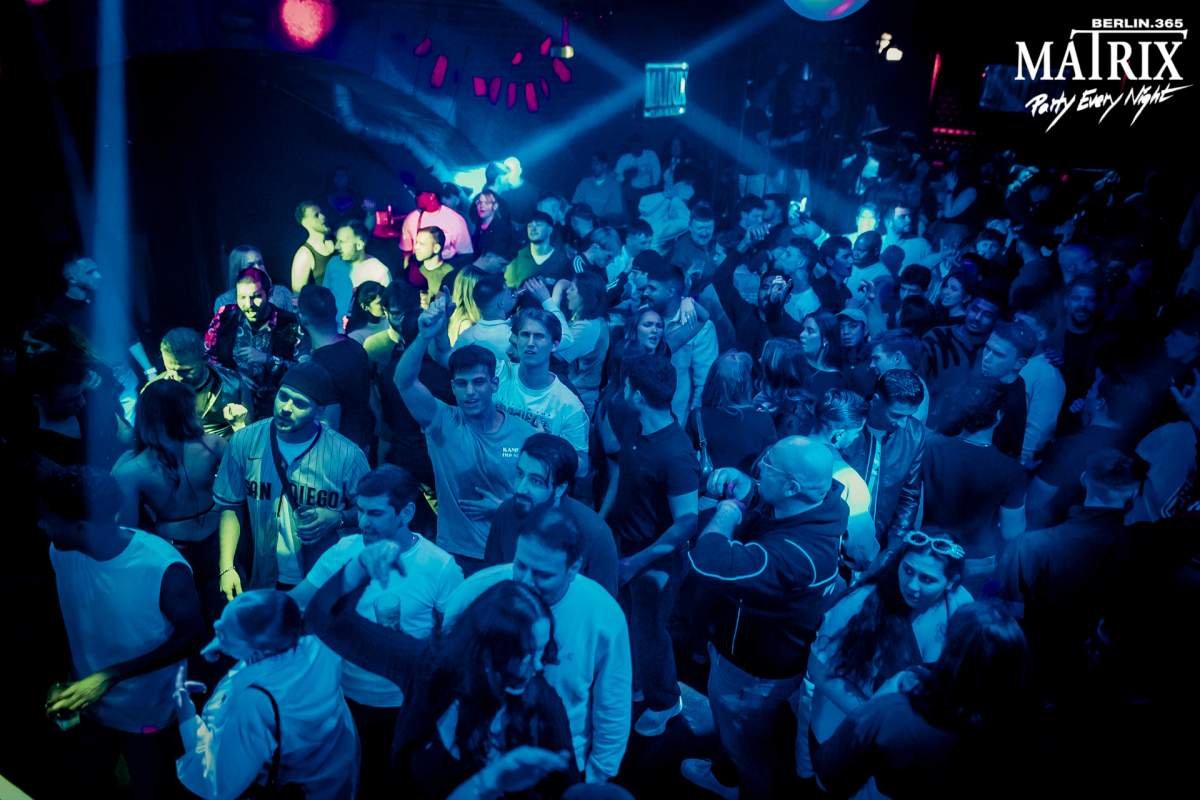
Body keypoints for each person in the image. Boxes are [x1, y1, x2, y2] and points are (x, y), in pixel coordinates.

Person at [305, 565, 578, 797]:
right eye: (526, 654)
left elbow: (567, 791)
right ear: (486, 652)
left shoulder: (543, 706)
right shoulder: (430, 669)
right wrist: (362, 565)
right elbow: (326, 620)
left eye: (542, 651)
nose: (538, 666)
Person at [685, 437, 849, 799]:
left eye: (767, 465)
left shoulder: (798, 554)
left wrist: (729, 511)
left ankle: (741, 787)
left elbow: (707, 561)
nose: (758, 467)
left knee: (747, 746)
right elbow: (778, 508)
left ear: (791, 487)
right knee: (744, 733)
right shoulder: (824, 505)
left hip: (752, 670)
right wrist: (752, 488)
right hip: (758, 654)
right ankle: (726, 773)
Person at [289, 465, 463, 795]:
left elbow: (454, 641)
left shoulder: (439, 566)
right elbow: (296, 602)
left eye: (376, 513)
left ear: (406, 513)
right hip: (342, 701)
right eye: (361, 510)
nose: (364, 522)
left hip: (404, 707)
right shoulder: (345, 550)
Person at [41, 467, 204, 800]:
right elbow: (74, 617)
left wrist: (109, 676)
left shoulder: (162, 567)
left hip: (148, 715)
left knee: (151, 789)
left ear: (81, 526)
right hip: (89, 707)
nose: (40, 524)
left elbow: (193, 636)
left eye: (49, 519)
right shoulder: (60, 552)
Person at [446, 508, 632, 783]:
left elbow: (613, 703)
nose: (525, 581)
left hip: (556, 762)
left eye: (543, 574)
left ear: (574, 568)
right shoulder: (475, 592)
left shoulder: (603, 615)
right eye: (520, 565)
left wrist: (597, 775)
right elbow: (445, 670)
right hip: (477, 755)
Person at [814, 601, 1031, 798]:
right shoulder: (1023, 726)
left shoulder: (893, 711)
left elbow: (828, 778)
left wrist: (878, 703)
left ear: (949, 645)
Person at [805, 533, 971, 778]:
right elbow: (818, 669)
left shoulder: (959, 605)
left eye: (927, 578)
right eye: (908, 570)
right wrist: (878, 719)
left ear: (951, 581)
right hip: (847, 734)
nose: (912, 585)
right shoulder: (862, 602)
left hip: (905, 748)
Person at [393, 294, 536, 574]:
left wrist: (505, 509)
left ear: (494, 384)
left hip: (510, 553)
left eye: (479, 382)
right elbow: (404, 381)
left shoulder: (524, 433)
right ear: (453, 387)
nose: (470, 392)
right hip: (457, 555)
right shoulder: (442, 421)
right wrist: (424, 336)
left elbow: (545, 499)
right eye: (462, 383)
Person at [598, 353, 698, 737]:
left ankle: (665, 701)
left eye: (627, 385)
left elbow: (686, 522)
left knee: (651, 632)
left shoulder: (676, 452)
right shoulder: (632, 422)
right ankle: (637, 684)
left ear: (637, 393)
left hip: (654, 561)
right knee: (628, 624)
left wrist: (637, 562)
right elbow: (618, 466)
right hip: (624, 547)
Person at [174, 590, 359, 799]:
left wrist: (186, 718)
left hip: (299, 787)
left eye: (223, 632)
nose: (216, 625)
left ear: (258, 652)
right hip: (338, 762)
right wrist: (226, 640)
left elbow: (220, 784)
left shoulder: (254, 702)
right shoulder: (316, 638)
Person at [999, 448, 1142, 706]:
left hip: (1033, 677)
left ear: (1084, 478)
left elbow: (1001, 617)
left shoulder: (1030, 545)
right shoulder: (1143, 549)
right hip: (1101, 689)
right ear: (1134, 492)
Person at [214, 362, 370, 595]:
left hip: (324, 579)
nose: (286, 408)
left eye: (300, 404)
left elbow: (373, 512)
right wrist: (226, 567)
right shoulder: (244, 441)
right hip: (264, 576)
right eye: (283, 397)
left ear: (319, 412)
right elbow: (230, 505)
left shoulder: (347, 455)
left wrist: (339, 518)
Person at [113, 380, 229, 626]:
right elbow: (236, 495)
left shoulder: (130, 469)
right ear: (186, 409)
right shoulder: (214, 445)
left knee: (187, 621)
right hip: (218, 539)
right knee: (226, 610)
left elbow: (129, 527)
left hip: (172, 549)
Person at [922, 378, 1026, 592]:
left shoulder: (931, 449)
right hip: (976, 562)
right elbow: (1012, 531)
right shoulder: (1011, 470)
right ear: (999, 416)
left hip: (931, 549)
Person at [484, 434, 619, 596]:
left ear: (560, 489)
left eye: (536, 481)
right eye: (520, 474)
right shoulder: (506, 512)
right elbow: (491, 580)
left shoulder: (595, 534)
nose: (520, 489)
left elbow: (602, 603)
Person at [1026, 368, 1144, 528]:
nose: (1086, 395)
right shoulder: (1135, 453)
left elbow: (1033, 503)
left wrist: (1023, 475)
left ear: (1100, 402)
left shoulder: (1068, 448)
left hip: (1059, 533)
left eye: (1091, 390)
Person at [495, 307, 591, 476]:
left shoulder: (569, 405)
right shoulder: (497, 373)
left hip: (532, 484)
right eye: (525, 335)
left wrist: (548, 446)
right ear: (516, 339)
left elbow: (582, 468)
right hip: (492, 475)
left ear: (554, 345)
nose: (531, 343)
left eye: (539, 336)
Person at [205, 266, 309, 420]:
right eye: (242, 297)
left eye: (256, 296)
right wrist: (236, 379)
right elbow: (206, 357)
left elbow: (305, 370)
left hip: (276, 409)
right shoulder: (225, 316)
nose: (249, 304)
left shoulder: (291, 324)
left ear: (269, 293)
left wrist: (268, 359)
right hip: (233, 405)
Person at [844, 369, 927, 551]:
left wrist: (892, 547)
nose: (903, 424)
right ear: (876, 401)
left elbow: (909, 494)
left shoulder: (914, 433)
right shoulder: (847, 424)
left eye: (909, 416)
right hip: (836, 533)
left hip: (879, 540)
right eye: (896, 415)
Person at [805, 389, 879, 570]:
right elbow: (862, 553)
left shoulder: (775, 452)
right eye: (857, 432)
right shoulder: (849, 481)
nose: (857, 437)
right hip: (817, 572)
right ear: (838, 434)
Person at [297, 285, 375, 453]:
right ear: (334, 311)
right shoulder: (356, 347)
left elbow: (329, 426)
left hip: (338, 454)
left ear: (303, 318)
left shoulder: (319, 367)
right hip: (362, 445)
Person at [641, 257, 719, 422]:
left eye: (652, 288)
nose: (645, 293)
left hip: (675, 420)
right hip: (639, 416)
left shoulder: (700, 328)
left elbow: (703, 381)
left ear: (670, 292)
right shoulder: (641, 316)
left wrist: (693, 423)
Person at [685, 350, 778, 473]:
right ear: (747, 383)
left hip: (709, 484)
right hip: (748, 485)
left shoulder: (697, 416)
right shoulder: (763, 419)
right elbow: (772, 464)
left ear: (712, 381)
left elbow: (684, 461)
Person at [150, 327, 248, 438]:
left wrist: (238, 424)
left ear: (205, 359)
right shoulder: (152, 393)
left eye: (185, 371)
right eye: (170, 369)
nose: (177, 378)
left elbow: (248, 438)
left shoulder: (234, 384)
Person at [557, 272, 611, 417]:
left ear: (585, 295)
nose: (567, 292)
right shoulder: (585, 321)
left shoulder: (588, 328)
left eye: (572, 289)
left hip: (578, 398)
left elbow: (554, 352)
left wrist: (555, 296)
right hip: (573, 394)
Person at [325, 219, 392, 320]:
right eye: (336, 241)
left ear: (359, 244)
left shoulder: (379, 272)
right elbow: (326, 297)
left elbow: (387, 313)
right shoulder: (333, 263)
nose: (336, 246)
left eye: (342, 242)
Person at [453, 272, 520, 363]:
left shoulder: (465, 336)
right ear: (501, 303)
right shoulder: (512, 339)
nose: (514, 296)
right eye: (509, 293)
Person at [868, 330, 929, 423]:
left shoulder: (916, 391)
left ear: (897, 358)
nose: (871, 365)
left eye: (876, 358)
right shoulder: (884, 385)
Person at [401, 184, 474, 262]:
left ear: (457, 201)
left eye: (447, 196)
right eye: (441, 196)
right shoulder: (412, 217)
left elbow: (465, 254)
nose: (442, 200)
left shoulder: (459, 221)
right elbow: (406, 251)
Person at [212, 247, 293, 313]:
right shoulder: (224, 301)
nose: (258, 268)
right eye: (250, 265)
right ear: (238, 270)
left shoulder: (282, 293)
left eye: (260, 263)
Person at [637, 166, 695, 254]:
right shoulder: (661, 227)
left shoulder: (646, 203)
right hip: (654, 252)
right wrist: (674, 198)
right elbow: (687, 221)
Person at [505, 211, 572, 288]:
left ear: (550, 230)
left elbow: (569, 288)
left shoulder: (563, 259)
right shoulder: (517, 257)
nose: (533, 229)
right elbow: (508, 288)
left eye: (538, 225)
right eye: (530, 225)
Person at [290, 201, 336, 292]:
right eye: (316, 215)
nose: (323, 216)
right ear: (305, 222)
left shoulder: (338, 240)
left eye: (322, 213)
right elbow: (298, 294)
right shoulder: (304, 254)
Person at [406, 226, 456, 305]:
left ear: (436, 248)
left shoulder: (449, 274)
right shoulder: (414, 269)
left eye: (422, 244)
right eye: (416, 242)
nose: (415, 247)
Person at [573, 151, 624, 224]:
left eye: (596, 164)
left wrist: (596, 220)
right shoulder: (585, 182)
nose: (593, 167)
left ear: (605, 165)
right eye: (592, 164)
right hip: (583, 223)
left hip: (603, 225)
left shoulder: (615, 186)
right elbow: (576, 203)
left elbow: (613, 213)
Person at [880, 202, 933, 267]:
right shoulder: (878, 244)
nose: (909, 220)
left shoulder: (922, 245)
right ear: (888, 222)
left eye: (909, 216)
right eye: (902, 217)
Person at [470, 189, 517, 260]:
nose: (482, 206)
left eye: (487, 203)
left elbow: (497, 257)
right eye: (479, 202)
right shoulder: (478, 225)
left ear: (495, 206)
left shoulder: (502, 229)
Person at [812, 236, 854, 312]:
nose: (851, 261)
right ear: (830, 261)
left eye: (851, 256)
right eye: (845, 257)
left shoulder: (845, 291)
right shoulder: (821, 290)